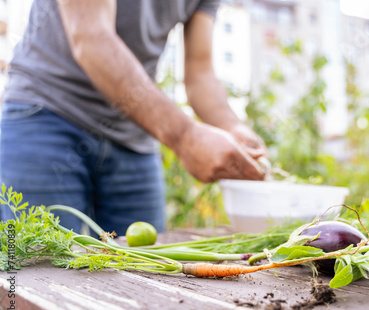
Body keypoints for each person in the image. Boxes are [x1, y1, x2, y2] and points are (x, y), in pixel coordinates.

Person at [1, 0, 267, 241]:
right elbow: (90, 37)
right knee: (34, 272)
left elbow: (200, 72)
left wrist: (232, 127)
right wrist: (185, 136)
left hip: (135, 133)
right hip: (45, 115)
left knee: (146, 270)